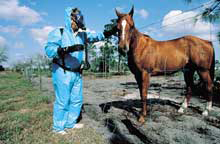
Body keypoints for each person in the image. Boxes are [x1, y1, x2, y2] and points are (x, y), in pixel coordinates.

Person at [44, 7, 112, 135]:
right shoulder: (59, 32)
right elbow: (49, 49)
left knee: (77, 99)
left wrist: (110, 32)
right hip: (62, 71)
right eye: (76, 17)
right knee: (63, 100)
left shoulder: (82, 35)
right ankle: (58, 127)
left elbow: (96, 36)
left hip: (77, 73)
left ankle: (70, 123)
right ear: (70, 18)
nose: (79, 20)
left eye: (80, 17)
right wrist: (65, 50)